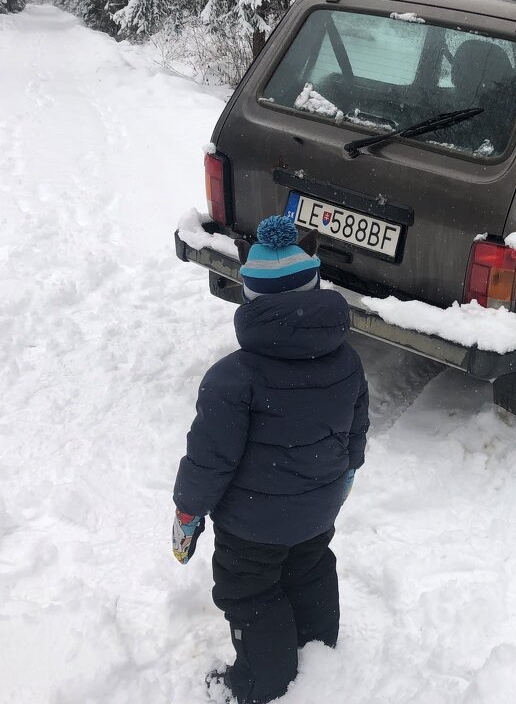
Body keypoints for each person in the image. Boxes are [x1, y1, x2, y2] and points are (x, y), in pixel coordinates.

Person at [171, 214, 369, 704]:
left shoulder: (232, 379)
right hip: (319, 509)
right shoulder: (347, 361)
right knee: (311, 568)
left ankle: (263, 683)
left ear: (251, 297)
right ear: (315, 286)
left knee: (250, 593)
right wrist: (346, 476)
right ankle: (320, 649)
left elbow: (209, 461)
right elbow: (357, 428)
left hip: (250, 527)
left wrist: (188, 512)